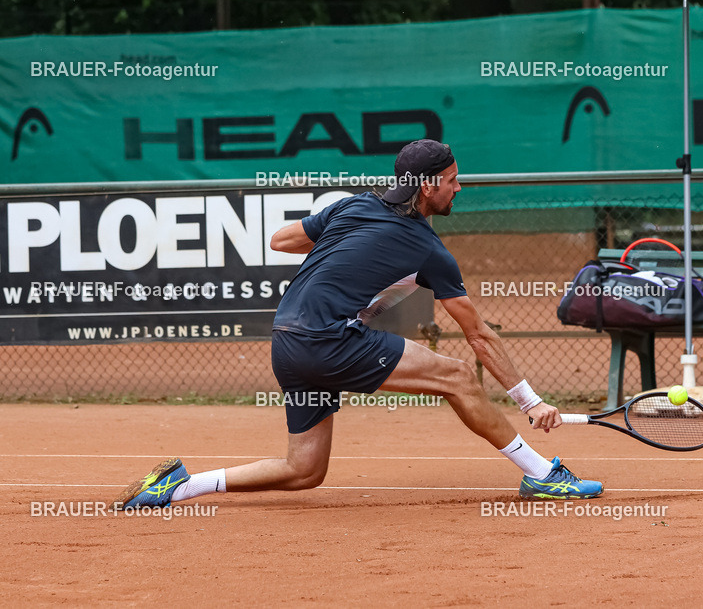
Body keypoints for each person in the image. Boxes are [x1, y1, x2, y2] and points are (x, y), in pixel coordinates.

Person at [113, 139, 602, 508]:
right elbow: (479, 335)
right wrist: (530, 402)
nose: (459, 187)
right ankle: (542, 475)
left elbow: (281, 240)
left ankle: (180, 486)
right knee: (456, 375)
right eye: (453, 180)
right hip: (327, 339)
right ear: (428, 186)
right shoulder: (429, 250)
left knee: (303, 470)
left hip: (286, 341)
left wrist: (339, 242)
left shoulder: (350, 207)